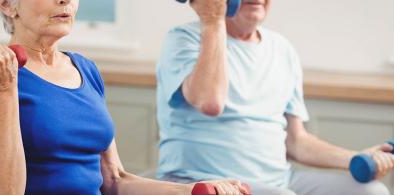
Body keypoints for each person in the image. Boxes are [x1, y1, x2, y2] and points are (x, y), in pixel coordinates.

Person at [0, 0, 249, 194]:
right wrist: (5, 88)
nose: (66, 0)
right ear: (6, 4)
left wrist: (191, 189)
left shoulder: (85, 69)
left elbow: (114, 180)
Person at [155, 0, 393, 194]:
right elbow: (210, 101)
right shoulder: (183, 38)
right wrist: (213, 19)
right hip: (202, 182)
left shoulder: (282, 49)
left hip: (279, 180)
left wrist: (356, 158)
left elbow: (296, 141)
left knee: (373, 192)